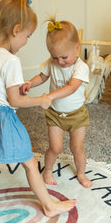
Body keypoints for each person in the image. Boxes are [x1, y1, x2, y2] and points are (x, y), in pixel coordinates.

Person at [0, 0, 76, 218]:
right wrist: (41, 100)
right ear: (16, 30)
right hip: (3, 120)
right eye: (27, 36)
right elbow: (14, 101)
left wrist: (19, 85)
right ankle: (49, 206)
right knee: (30, 163)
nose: (25, 42)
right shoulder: (11, 60)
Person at [20, 17, 92, 188]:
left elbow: (72, 87)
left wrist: (50, 96)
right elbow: (42, 77)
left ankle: (81, 173)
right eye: (54, 57)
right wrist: (30, 82)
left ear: (77, 47)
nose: (60, 62)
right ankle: (48, 170)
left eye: (64, 57)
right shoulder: (52, 64)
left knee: (77, 148)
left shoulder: (81, 68)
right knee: (55, 148)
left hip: (77, 116)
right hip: (55, 115)